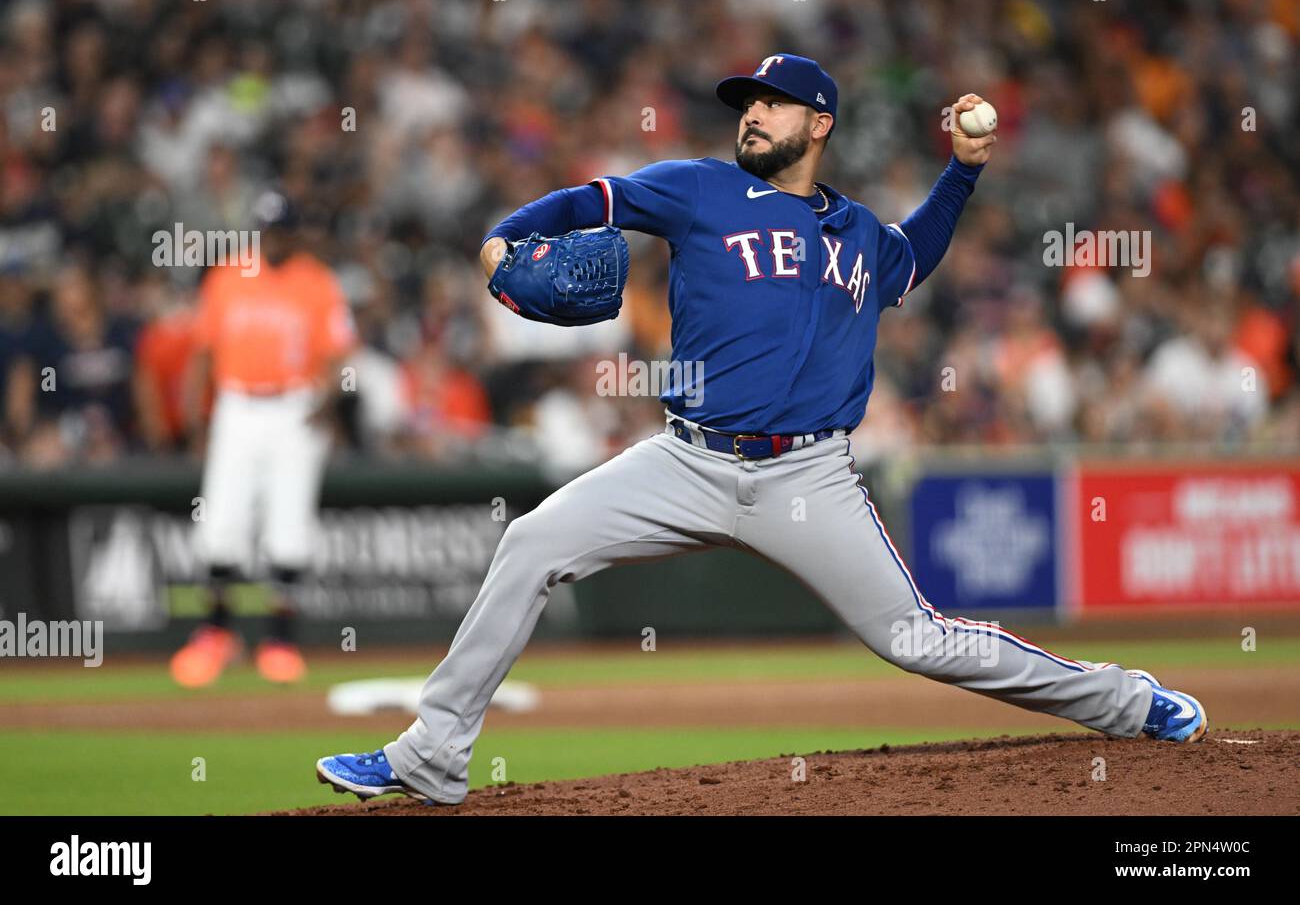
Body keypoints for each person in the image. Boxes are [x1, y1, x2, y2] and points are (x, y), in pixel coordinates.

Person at [316, 54, 1207, 805]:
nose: (751, 115)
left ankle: (1125, 703)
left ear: (818, 123)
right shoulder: (698, 190)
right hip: (685, 458)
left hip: (807, 480)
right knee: (532, 541)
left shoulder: (858, 233)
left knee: (916, 639)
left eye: (770, 103)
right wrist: (504, 241)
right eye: (745, 104)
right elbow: (590, 202)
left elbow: (915, 254)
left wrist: (963, 170)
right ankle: (433, 757)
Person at [169, 190, 356, 687]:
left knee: (288, 526)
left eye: (281, 230)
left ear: (294, 233)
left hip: (294, 405)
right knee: (221, 522)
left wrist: (327, 401)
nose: (274, 238)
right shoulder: (227, 277)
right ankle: (215, 634)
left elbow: (338, 351)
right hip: (237, 405)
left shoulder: (316, 282)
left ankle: (279, 640)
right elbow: (204, 353)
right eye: (267, 229)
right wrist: (196, 419)